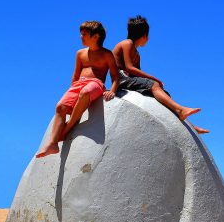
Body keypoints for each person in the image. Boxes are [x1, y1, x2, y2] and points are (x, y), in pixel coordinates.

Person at [36, 21, 119, 158]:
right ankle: (52, 144)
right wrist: (71, 96)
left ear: (96, 36)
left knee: (85, 92)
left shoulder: (106, 54)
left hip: (96, 84)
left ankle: (67, 128)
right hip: (78, 85)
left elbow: (115, 77)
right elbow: (75, 77)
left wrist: (112, 90)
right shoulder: (80, 54)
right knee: (60, 106)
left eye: (84, 34)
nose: (81, 37)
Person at [112, 15, 208, 134]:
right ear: (144, 35)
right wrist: (154, 79)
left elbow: (137, 75)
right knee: (154, 85)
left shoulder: (137, 53)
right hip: (122, 79)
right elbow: (129, 68)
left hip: (130, 80)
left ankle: (190, 125)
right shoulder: (127, 43)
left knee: (164, 95)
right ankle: (181, 109)